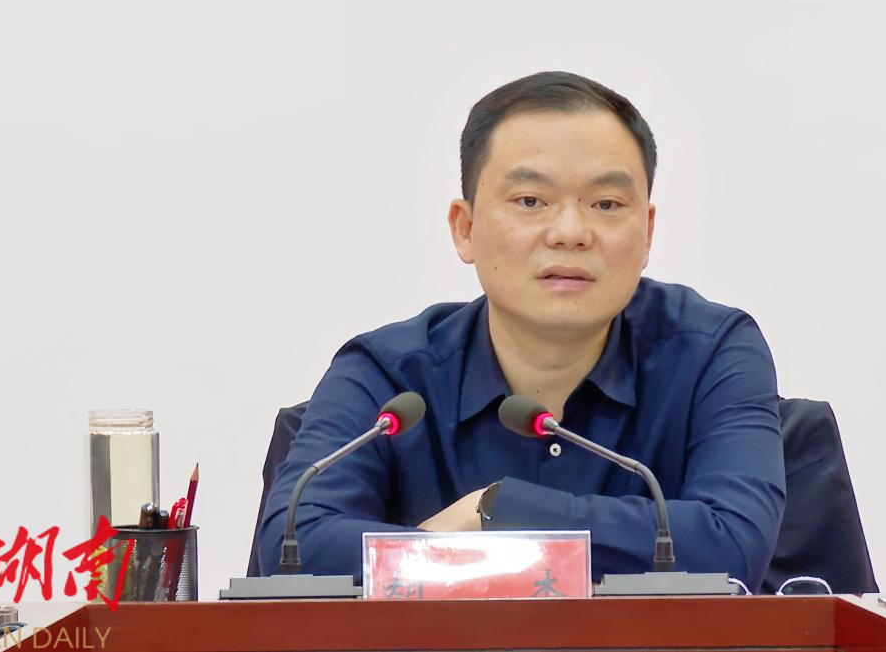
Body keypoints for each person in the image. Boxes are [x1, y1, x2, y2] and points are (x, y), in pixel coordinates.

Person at [257, 71, 785, 588]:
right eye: (531, 201)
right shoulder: (388, 375)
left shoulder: (711, 353)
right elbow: (293, 550)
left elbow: (732, 547)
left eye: (605, 204)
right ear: (465, 229)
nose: (570, 233)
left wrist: (495, 510)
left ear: (646, 233)